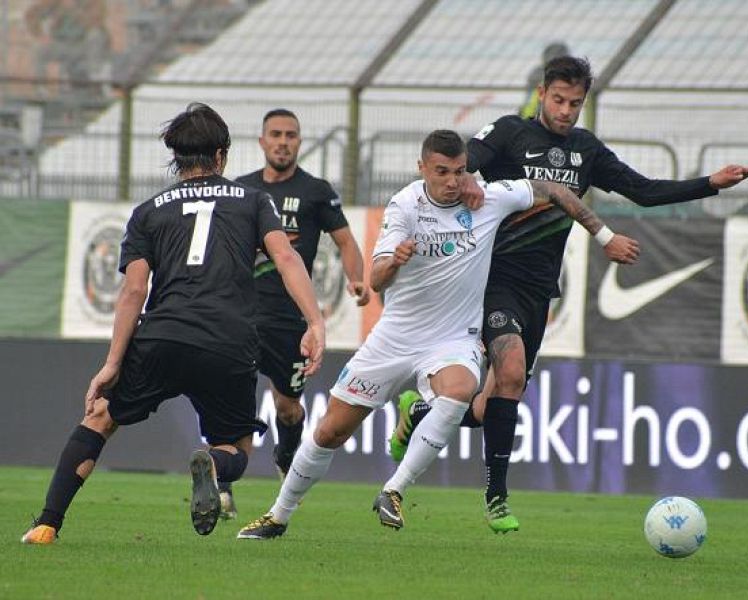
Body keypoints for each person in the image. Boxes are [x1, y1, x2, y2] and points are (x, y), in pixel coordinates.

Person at [390, 55, 748, 533]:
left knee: (495, 400)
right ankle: (496, 498)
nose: (566, 111)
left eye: (576, 103)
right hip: (490, 278)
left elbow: (643, 191)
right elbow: (462, 163)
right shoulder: (507, 132)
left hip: (540, 289)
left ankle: (418, 412)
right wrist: (466, 184)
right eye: (559, 100)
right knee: (511, 368)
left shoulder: (587, 151)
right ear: (542, 94)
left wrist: (711, 183)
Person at [235, 129, 639, 539]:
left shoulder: (490, 196)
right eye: (441, 172)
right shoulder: (405, 205)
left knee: (461, 388)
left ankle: (394, 490)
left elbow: (554, 189)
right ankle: (278, 516)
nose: (451, 181)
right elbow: (376, 279)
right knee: (330, 431)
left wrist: (603, 236)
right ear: (422, 168)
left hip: (452, 337)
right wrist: (396, 260)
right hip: (395, 338)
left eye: (459, 171)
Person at [20, 102, 325, 544]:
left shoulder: (148, 212)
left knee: (101, 416)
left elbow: (133, 292)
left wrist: (111, 363)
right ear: (221, 156)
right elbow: (285, 256)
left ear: (176, 158)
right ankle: (213, 466)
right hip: (229, 340)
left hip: (163, 333)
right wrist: (313, 322)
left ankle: (47, 523)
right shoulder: (253, 200)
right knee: (236, 446)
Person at [213, 109, 369, 519]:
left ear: (299, 142)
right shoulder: (240, 190)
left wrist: (357, 279)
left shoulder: (316, 191)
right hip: (242, 316)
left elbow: (346, 242)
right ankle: (222, 488)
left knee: (288, 408)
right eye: (276, 135)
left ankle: (285, 461)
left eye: (291, 135)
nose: (283, 142)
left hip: (289, 321)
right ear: (262, 142)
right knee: (231, 399)